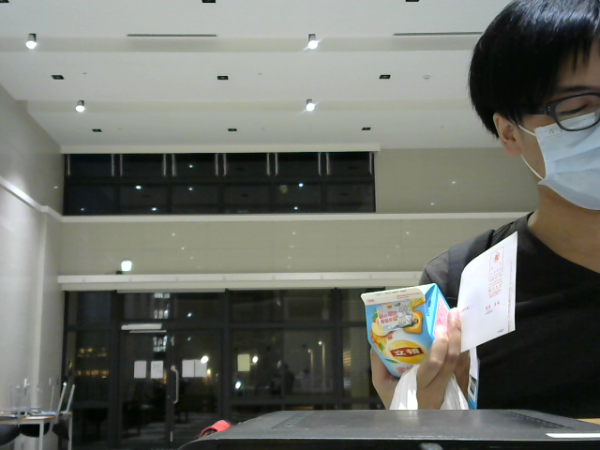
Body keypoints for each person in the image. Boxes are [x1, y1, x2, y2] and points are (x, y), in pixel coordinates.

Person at [371, 0, 600, 418]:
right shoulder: (461, 286)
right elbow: (432, 430)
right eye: (578, 108)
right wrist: (423, 421)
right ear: (510, 133)